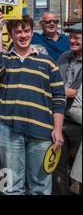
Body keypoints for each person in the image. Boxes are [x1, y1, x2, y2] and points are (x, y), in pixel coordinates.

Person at [0, 13, 66, 195]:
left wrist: (58, 129)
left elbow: (59, 97)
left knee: (40, 187)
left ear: (32, 32)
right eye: (17, 32)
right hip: (10, 130)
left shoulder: (48, 62)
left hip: (42, 131)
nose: (23, 35)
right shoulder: (6, 59)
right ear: (11, 34)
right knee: (11, 187)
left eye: (26, 31)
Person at [53, 23, 82, 194]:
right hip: (60, 118)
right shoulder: (64, 57)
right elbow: (55, 80)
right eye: (71, 37)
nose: (72, 41)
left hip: (79, 121)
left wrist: (75, 93)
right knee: (57, 164)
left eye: (77, 38)